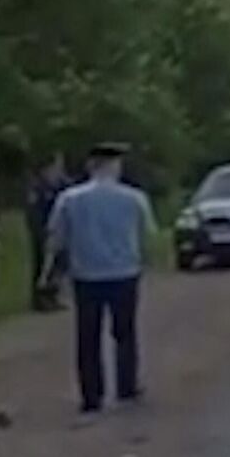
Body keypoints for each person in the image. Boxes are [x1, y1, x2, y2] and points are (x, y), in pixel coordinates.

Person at [44, 142, 155, 414]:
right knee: (124, 332)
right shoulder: (134, 198)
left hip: (86, 274)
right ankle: (126, 386)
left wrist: (49, 273)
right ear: (115, 166)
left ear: (90, 167)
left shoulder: (70, 199)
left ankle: (92, 395)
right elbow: (147, 235)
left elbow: (56, 238)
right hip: (124, 272)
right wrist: (144, 262)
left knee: (88, 336)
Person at [26, 151, 72, 312]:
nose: (59, 169)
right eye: (56, 166)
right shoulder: (37, 186)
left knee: (59, 264)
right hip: (43, 231)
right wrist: (41, 232)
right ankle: (40, 299)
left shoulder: (60, 185)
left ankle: (53, 295)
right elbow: (33, 212)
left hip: (58, 230)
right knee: (42, 265)